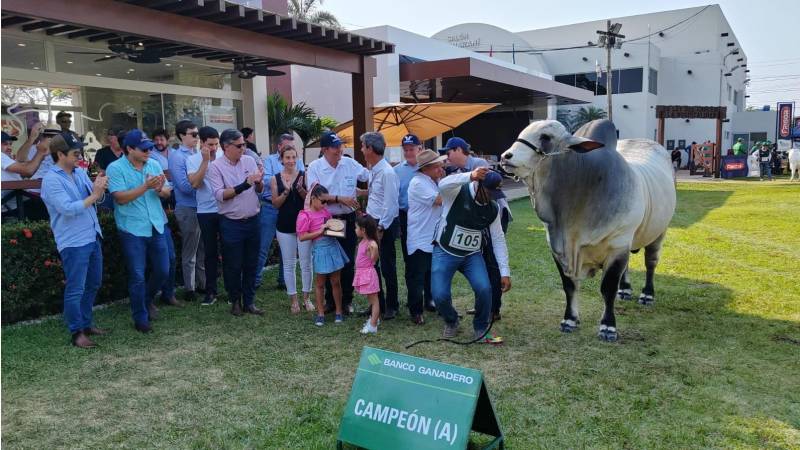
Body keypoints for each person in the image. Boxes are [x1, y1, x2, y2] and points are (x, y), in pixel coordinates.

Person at [40, 133, 108, 348]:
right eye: (75, 153)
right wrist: (95, 195)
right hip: (73, 241)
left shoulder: (78, 172)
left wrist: (99, 188)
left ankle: (86, 324)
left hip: (92, 235)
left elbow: (94, 197)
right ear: (60, 154)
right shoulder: (51, 179)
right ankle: (76, 332)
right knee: (76, 288)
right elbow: (67, 209)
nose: (80, 157)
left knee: (93, 283)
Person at [432, 166, 511, 344]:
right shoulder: (457, 192)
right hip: (444, 251)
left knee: (485, 289)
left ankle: (480, 328)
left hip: (472, 255)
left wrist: (505, 272)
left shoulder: (493, 209)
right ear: (478, 185)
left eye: (495, 194)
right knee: (439, 295)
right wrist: (470, 175)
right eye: (489, 192)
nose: (492, 197)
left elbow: (498, 239)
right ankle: (452, 321)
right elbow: (443, 185)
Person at [107, 129, 173, 333]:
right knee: (137, 274)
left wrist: (160, 190)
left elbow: (167, 191)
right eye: (143, 149)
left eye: (150, 148)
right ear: (129, 149)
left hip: (155, 224)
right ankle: (140, 318)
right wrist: (146, 187)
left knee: (163, 269)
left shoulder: (153, 164)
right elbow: (120, 198)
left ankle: (145, 299)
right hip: (131, 228)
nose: (148, 152)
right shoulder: (115, 168)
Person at [305, 131, 369, 315]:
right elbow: (317, 194)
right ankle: (330, 302)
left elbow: (367, 175)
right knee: (328, 260)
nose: (339, 150)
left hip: (348, 219)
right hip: (329, 221)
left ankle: (347, 301)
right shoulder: (316, 167)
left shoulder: (349, 163)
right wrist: (340, 198)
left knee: (347, 261)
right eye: (335, 147)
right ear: (325, 149)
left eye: (340, 146)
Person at [207, 129, 265, 317]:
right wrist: (245, 184)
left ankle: (249, 301)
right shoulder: (215, 167)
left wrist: (258, 183)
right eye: (239, 145)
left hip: (253, 220)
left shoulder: (249, 160)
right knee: (233, 264)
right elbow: (220, 195)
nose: (243, 148)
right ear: (226, 147)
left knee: (251, 263)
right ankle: (235, 301)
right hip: (231, 223)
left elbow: (258, 189)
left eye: (244, 145)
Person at [256, 133, 305, 288]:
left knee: (289, 246)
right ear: (279, 147)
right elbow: (266, 180)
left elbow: (302, 180)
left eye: (293, 148)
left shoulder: (298, 162)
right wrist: (285, 181)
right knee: (264, 245)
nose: (290, 155)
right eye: (286, 148)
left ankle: (284, 280)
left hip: (290, 208)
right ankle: (255, 280)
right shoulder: (269, 160)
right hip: (271, 207)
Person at [297, 184, 349, 326]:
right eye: (323, 201)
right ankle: (320, 313)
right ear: (313, 198)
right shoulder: (305, 215)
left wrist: (336, 228)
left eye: (327, 201)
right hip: (320, 250)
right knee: (320, 284)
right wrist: (319, 232)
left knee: (335, 282)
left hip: (332, 247)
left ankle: (338, 311)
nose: (325, 204)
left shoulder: (326, 212)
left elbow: (331, 227)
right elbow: (302, 237)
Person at [361, 131, 400, 319]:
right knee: (372, 265)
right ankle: (378, 304)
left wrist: (381, 227)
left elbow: (391, 204)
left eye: (363, 146)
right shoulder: (374, 169)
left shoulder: (386, 172)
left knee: (387, 266)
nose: (361, 150)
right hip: (372, 222)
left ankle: (392, 306)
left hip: (383, 224)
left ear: (370, 149)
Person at [405, 149, 447, 325]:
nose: (441, 169)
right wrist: (451, 184)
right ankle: (415, 311)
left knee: (431, 274)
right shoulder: (418, 183)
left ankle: (430, 302)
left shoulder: (431, 181)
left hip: (432, 237)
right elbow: (439, 200)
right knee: (417, 277)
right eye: (437, 166)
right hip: (420, 239)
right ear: (426, 168)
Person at [270, 144, 313, 313]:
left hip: (304, 226)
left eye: (294, 157)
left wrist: (301, 190)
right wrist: (286, 192)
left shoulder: (304, 175)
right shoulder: (275, 179)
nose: (291, 161)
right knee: (288, 264)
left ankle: (306, 298)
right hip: (285, 226)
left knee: (306, 263)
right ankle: (293, 299)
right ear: (281, 159)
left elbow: (309, 201)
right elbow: (275, 204)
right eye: (287, 157)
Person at [168, 120, 205, 302]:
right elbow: (184, 187)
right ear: (182, 135)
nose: (197, 138)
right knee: (190, 250)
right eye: (193, 134)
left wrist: (199, 181)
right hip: (187, 207)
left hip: (201, 207)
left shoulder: (197, 153)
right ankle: (189, 288)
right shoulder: (177, 156)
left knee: (202, 250)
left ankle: (202, 284)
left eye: (197, 134)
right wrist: (201, 182)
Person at [187, 126, 224, 306]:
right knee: (209, 253)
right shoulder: (193, 160)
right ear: (202, 143)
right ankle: (211, 291)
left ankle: (233, 290)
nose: (214, 148)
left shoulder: (225, 157)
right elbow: (194, 183)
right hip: (206, 211)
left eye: (216, 144)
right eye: (210, 144)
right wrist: (205, 161)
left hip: (225, 210)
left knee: (229, 250)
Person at [2, 127, 48, 220]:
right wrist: (41, 151)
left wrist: (32, 139)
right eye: (5, 144)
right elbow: (28, 171)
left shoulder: (5, 158)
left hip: (16, 204)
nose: (9, 147)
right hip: (14, 208)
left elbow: (23, 163)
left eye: (10, 144)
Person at [394, 133, 422, 266]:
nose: (408, 152)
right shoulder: (396, 170)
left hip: (424, 216)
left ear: (419, 149)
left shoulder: (427, 167)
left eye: (412, 149)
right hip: (405, 215)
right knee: (408, 254)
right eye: (406, 149)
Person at [353, 215, 381, 334]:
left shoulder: (371, 243)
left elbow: (373, 260)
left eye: (356, 227)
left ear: (363, 230)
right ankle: (374, 319)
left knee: (374, 300)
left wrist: (375, 250)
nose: (355, 230)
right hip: (363, 273)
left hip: (368, 274)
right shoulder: (363, 241)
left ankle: (373, 325)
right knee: (371, 299)